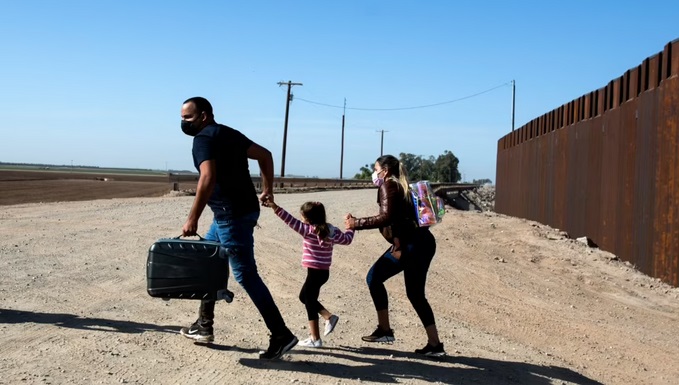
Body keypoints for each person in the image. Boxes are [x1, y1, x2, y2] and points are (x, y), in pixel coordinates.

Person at [178, 96, 298, 360]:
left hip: (230, 215)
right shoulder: (228, 133)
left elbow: (207, 177)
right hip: (236, 211)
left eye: (187, 117)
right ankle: (204, 326)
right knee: (210, 264)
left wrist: (192, 218)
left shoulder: (203, 140)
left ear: (204, 115)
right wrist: (267, 190)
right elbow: (264, 155)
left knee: (246, 275)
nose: (183, 122)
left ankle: (281, 334)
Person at [344, 154, 446, 357]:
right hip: (423, 242)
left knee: (374, 278)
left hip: (410, 246)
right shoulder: (402, 186)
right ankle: (435, 345)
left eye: (376, 169)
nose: (374, 173)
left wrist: (356, 223)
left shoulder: (388, 185)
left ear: (385, 170)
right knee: (416, 294)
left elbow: (386, 217)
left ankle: (385, 330)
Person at [263, 198, 354, 347]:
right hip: (323, 273)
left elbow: (288, 219)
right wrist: (351, 226)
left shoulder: (307, 230)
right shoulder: (332, 231)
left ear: (308, 218)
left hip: (314, 273)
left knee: (309, 301)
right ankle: (328, 317)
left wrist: (274, 206)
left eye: (302, 216)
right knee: (304, 297)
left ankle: (315, 339)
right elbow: (347, 239)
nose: (301, 219)